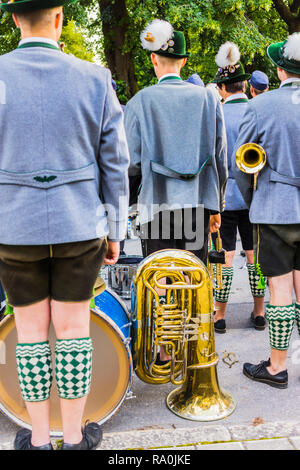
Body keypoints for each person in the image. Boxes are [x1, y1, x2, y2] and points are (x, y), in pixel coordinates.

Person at [0, 0, 129, 450]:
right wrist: (116, 230)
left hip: (13, 228)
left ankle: (37, 439)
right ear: (59, 19)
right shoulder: (94, 78)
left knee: (30, 335)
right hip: (80, 225)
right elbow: (115, 163)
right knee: (75, 331)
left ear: (15, 18)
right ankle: (74, 438)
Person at [124, 19, 228, 363]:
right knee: (194, 278)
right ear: (183, 61)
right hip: (197, 205)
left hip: (155, 207)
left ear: (154, 60)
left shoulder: (139, 102)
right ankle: (194, 349)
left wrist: (128, 206)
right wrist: (217, 207)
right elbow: (220, 159)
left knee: (161, 280)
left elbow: (130, 165)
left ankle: (166, 352)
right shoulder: (208, 98)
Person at [232, 32, 300, 389]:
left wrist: (249, 200)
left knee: (279, 291)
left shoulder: (260, 106)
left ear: (279, 70)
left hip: (275, 209)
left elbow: (241, 165)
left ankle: (277, 367)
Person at [212, 42, 266, 334]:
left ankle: (220, 316)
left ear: (222, 88)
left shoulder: (217, 114)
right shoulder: (259, 109)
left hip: (224, 198)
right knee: (253, 255)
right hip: (256, 196)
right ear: (245, 85)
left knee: (226, 256)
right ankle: (259, 312)